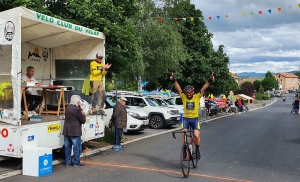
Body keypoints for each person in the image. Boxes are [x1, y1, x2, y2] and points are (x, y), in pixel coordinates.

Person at [170, 72, 214, 160]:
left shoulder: (197, 96)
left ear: (193, 92)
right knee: (184, 134)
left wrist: (209, 80)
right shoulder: (183, 97)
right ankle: (184, 150)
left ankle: (197, 150)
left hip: (194, 120)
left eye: (190, 93)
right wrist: (174, 80)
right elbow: (179, 89)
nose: (189, 94)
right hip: (186, 119)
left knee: (196, 135)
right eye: (187, 93)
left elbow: (203, 89)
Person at [63, 95, 86, 167]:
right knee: (76, 147)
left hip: (67, 130)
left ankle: (68, 162)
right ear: (77, 102)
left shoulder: (67, 108)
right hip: (75, 131)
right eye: (79, 102)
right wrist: (84, 115)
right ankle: (76, 163)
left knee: (67, 147)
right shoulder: (76, 109)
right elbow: (82, 121)